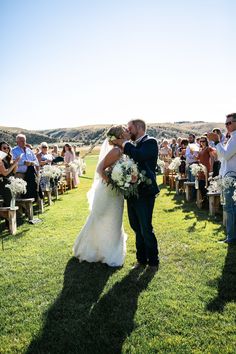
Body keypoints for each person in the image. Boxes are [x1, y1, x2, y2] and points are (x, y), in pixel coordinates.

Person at [73, 125, 128, 267]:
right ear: (120, 136)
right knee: (103, 219)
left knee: (114, 221)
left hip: (116, 192)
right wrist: (114, 183)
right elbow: (99, 170)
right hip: (108, 191)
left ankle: (110, 250)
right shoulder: (116, 151)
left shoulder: (122, 149)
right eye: (125, 131)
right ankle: (95, 250)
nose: (128, 132)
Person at [114, 119, 160, 270]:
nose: (128, 131)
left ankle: (153, 261)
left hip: (145, 193)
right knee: (136, 227)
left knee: (145, 227)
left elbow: (139, 156)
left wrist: (125, 143)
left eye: (130, 128)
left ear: (139, 128)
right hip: (132, 192)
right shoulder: (132, 145)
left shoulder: (150, 142)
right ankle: (141, 260)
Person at [207, 113, 236, 244]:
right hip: (228, 175)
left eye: (229, 123)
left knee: (229, 208)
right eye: (226, 123)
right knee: (230, 207)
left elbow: (226, 155)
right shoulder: (232, 138)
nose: (227, 125)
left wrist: (218, 141)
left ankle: (231, 237)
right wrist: (216, 150)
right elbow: (222, 157)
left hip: (232, 177)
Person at [12, 134, 41, 199]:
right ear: (17, 142)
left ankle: (28, 207)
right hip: (20, 174)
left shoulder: (29, 150)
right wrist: (24, 163)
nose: (23, 142)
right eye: (21, 141)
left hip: (30, 174)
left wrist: (31, 163)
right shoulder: (13, 150)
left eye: (24, 141)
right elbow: (13, 161)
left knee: (30, 191)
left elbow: (36, 161)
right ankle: (19, 207)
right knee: (19, 192)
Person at [0, 142, 20, 206]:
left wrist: (16, 164)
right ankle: (8, 214)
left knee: (13, 199)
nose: (6, 149)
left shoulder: (8, 158)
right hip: (3, 182)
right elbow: (5, 173)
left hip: (10, 180)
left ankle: (13, 214)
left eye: (8, 148)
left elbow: (14, 172)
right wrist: (14, 164)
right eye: (4, 148)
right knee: (9, 200)